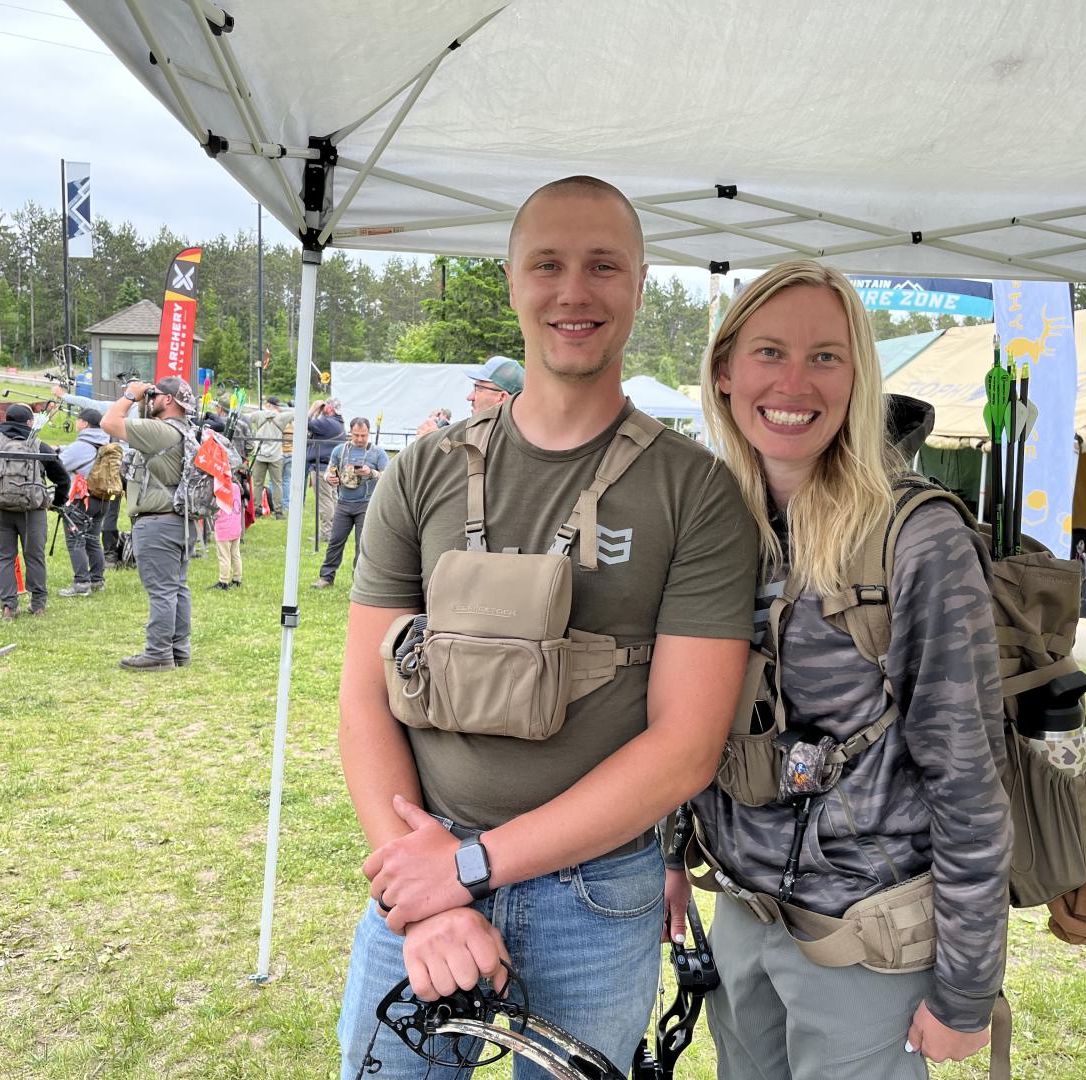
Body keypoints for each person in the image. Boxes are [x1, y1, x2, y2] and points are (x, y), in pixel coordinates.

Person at [335, 175, 756, 1078]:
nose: (575, 291)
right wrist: (430, 891)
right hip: (422, 866)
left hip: (596, 895)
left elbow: (686, 746)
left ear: (640, 285)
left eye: (604, 266)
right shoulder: (424, 471)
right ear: (513, 278)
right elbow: (366, 702)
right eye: (549, 265)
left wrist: (473, 867)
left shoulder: (697, 492)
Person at [680, 260, 1010, 1078]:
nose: (795, 382)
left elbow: (968, 775)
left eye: (826, 356)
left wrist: (967, 991)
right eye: (769, 353)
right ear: (725, 371)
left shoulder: (915, 538)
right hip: (744, 915)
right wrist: (663, 855)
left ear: (859, 375)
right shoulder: (712, 520)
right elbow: (678, 712)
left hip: (866, 937)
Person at [101, 377, 195, 671]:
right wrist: (144, 401)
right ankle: (178, 649)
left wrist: (131, 395)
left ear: (168, 400)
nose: (149, 399)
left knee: (162, 591)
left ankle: (158, 653)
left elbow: (109, 422)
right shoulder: (186, 430)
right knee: (177, 588)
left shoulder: (160, 431)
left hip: (158, 522)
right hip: (182, 520)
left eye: (154, 395)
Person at [0, 403, 71, 619]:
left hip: (1, 508)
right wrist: (56, 502)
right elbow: (63, 479)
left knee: (3, 557)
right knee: (35, 557)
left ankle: (8, 606)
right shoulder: (40, 446)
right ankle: (38, 605)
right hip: (33, 511)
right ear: (29, 423)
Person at [311, 417, 389, 589]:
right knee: (335, 541)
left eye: (363, 435)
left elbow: (388, 476)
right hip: (343, 503)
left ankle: (360, 581)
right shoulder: (340, 451)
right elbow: (329, 471)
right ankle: (326, 577)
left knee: (362, 545)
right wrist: (329, 478)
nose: (360, 439)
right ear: (350, 433)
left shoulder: (378, 453)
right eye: (356, 435)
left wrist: (371, 472)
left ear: (369, 433)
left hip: (367, 505)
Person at [56, 407, 114, 597]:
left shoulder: (81, 445)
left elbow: (59, 466)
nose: (76, 423)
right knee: (92, 539)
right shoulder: (105, 442)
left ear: (85, 424)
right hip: (102, 499)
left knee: (75, 541)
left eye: (78, 420)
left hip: (82, 500)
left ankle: (81, 583)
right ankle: (97, 579)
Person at [204, 415, 244, 591]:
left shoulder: (219, 489)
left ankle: (223, 581)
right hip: (236, 528)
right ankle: (238, 578)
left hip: (224, 528)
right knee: (236, 554)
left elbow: (214, 507)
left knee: (224, 556)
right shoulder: (236, 486)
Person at [244, 396, 294, 519]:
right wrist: (280, 410)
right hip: (276, 455)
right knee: (278, 484)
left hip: (260, 454)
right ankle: (278, 512)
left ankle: (256, 509)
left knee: (257, 483)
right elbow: (295, 413)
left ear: (267, 404)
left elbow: (245, 417)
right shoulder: (282, 416)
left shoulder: (259, 415)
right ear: (277, 406)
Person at [308, 397, 346, 541]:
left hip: (322, 467)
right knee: (333, 499)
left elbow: (303, 423)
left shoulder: (327, 422)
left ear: (329, 408)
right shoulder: (338, 422)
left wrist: (313, 408)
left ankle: (326, 533)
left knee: (325, 501)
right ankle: (335, 530)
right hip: (332, 467)